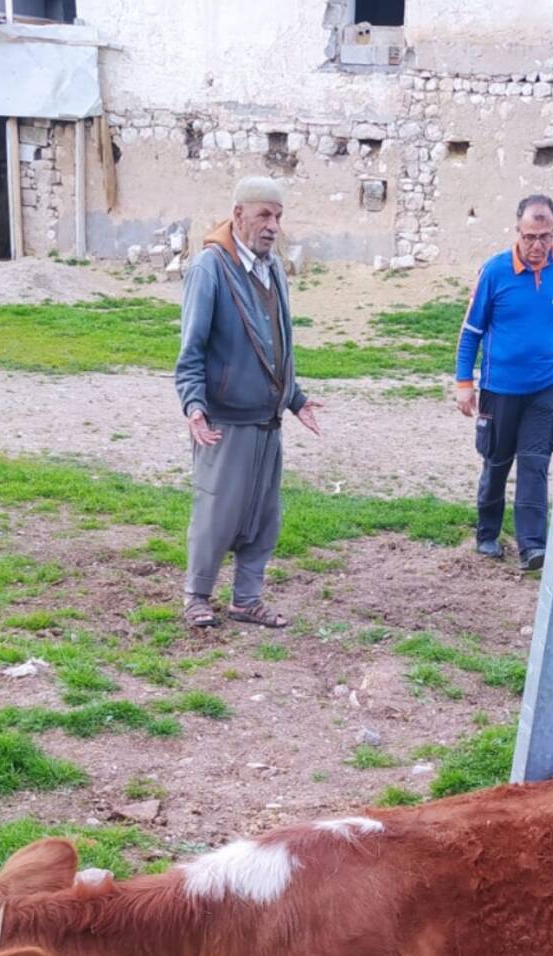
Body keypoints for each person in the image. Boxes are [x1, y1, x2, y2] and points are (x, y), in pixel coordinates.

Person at [175, 177, 322, 630]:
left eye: (278, 216)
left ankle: (246, 600)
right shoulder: (209, 268)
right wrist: (194, 405)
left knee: (263, 518)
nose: (273, 226)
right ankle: (196, 597)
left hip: (267, 421)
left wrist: (294, 397)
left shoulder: (272, 268)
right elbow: (192, 349)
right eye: (264, 215)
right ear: (237, 214)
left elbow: (278, 343)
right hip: (226, 420)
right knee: (216, 513)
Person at [455, 193, 553, 573]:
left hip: (545, 386)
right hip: (500, 388)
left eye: (545, 236)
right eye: (530, 236)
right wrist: (465, 382)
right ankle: (487, 534)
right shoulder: (494, 272)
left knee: (535, 463)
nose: (537, 246)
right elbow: (471, 331)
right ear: (518, 231)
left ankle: (532, 545)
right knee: (496, 462)